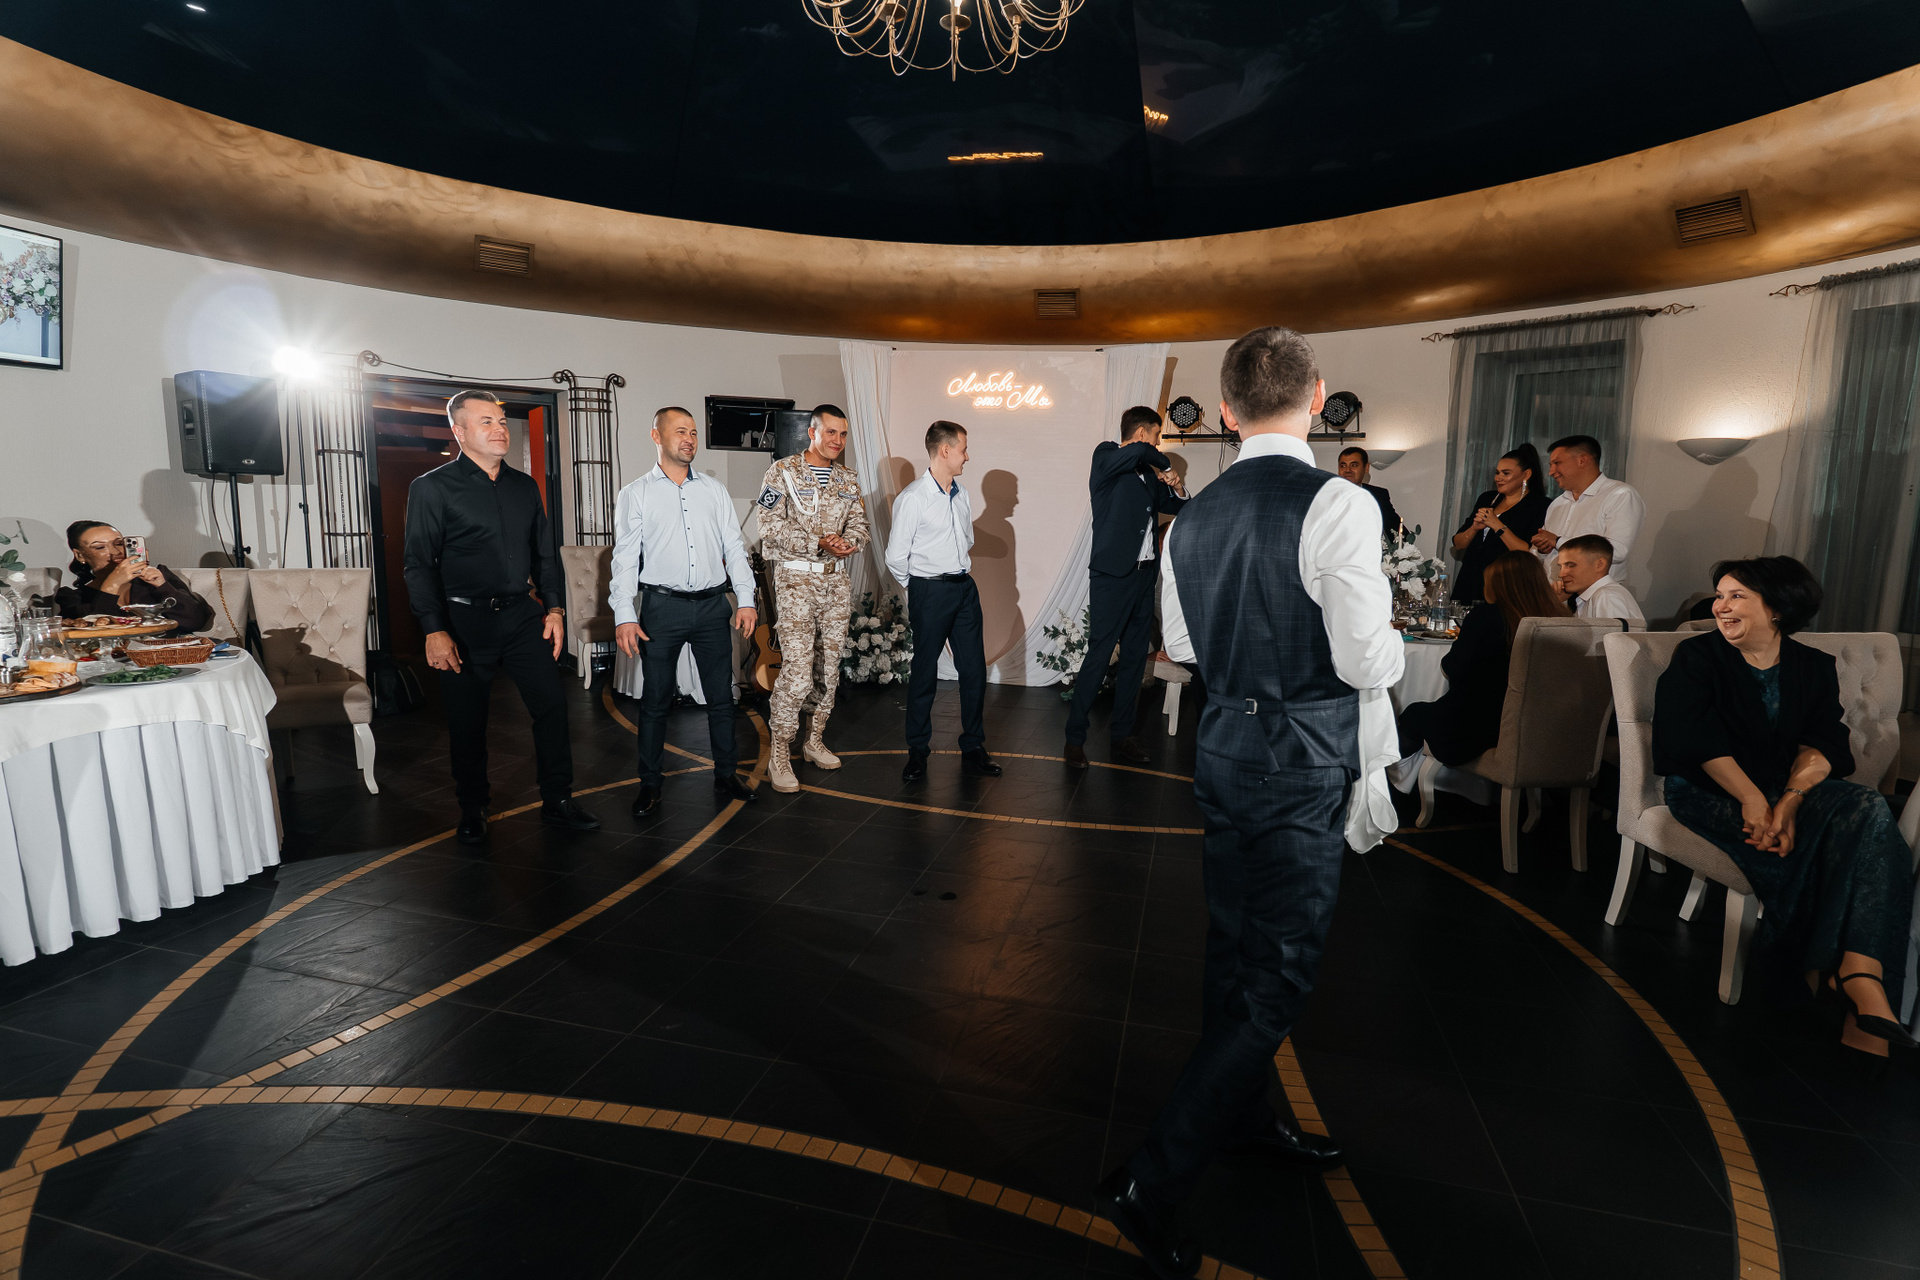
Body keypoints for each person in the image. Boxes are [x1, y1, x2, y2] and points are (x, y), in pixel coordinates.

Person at [1101, 328, 1403, 1276]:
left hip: (1225, 748)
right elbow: (1366, 659)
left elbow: (1185, 648)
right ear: (1317, 397)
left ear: (1226, 412)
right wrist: (1394, 644)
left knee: (1233, 952)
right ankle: (1152, 1181)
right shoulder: (1340, 501)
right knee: (1278, 977)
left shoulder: (1191, 515)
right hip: (1301, 757)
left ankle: (1245, 1116)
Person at [1655, 557, 1916, 1059]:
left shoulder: (1811, 665)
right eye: (1720, 595)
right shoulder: (1697, 656)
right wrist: (1754, 801)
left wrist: (1790, 804)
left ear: (1777, 608)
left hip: (1785, 789)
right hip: (1709, 791)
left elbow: (1823, 743)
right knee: (1852, 849)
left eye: (1736, 596)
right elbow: (1694, 739)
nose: (1720, 606)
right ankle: (1858, 983)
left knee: (1867, 808)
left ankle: (1857, 972)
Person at [403, 390, 599, 844]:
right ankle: (473, 808)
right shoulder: (431, 488)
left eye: (502, 421)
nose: (499, 429)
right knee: (468, 721)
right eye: (486, 422)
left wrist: (554, 608)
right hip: (462, 622)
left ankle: (558, 799)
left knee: (552, 707)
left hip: (521, 616)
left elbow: (543, 555)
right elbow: (418, 565)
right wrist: (434, 629)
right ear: (459, 432)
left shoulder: (524, 487)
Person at [611, 407, 762, 816]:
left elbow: (734, 547)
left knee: (721, 699)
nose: (689, 439)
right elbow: (624, 560)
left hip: (713, 607)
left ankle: (726, 774)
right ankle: (650, 784)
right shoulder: (636, 493)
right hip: (662, 608)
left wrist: (746, 599)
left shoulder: (714, 490)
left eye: (693, 432)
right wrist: (624, 614)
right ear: (656, 436)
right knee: (655, 701)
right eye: (680, 431)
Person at [1063, 405, 1189, 768]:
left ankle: (1122, 735)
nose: (1158, 442)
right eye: (1157, 434)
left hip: (1144, 576)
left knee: (1134, 661)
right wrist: (1164, 463)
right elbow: (1141, 452)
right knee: (1099, 656)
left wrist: (1177, 486)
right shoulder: (1105, 457)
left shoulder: (1147, 475)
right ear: (1143, 432)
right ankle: (1074, 739)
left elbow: (1181, 506)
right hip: (1112, 578)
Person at [757, 404, 870, 793]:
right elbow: (769, 527)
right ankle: (780, 752)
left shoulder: (847, 478)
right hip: (796, 583)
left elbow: (859, 523)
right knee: (798, 672)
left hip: (836, 582)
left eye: (843, 434)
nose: (838, 440)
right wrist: (818, 542)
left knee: (828, 669)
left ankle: (814, 740)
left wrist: (848, 542)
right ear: (812, 432)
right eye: (831, 432)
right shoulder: (783, 472)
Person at [887, 421, 1002, 784]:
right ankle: (917, 751)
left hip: (964, 588)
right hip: (930, 591)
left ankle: (973, 746)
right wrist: (919, 588)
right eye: (963, 449)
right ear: (945, 450)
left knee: (974, 670)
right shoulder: (913, 498)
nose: (967, 456)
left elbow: (966, 540)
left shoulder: (962, 493)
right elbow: (895, 557)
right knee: (925, 672)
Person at [1396, 551, 1567, 764]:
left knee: (1413, 714)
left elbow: (1453, 667)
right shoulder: (1559, 618)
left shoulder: (1489, 616)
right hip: (1539, 727)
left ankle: (1382, 775)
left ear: (1499, 585)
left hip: (1480, 726)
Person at [57, 522, 213, 632]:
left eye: (119, 543)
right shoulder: (72, 597)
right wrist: (112, 585)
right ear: (80, 555)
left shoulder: (157, 577)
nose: (116, 552)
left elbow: (196, 622)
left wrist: (162, 587)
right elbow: (97, 635)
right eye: (100, 547)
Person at [1530, 434, 1645, 576]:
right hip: (1552, 587)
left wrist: (1558, 541)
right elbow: (1539, 553)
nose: (1551, 472)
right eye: (1550, 465)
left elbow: (1617, 551)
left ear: (1582, 460)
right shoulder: (1557, 504)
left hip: (1593, 590)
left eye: (1557, 463)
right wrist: (1541, 550)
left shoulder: (1620, 495)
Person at [1450, 443, 1548, 603]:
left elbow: (1529, 553)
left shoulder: (1540, 505)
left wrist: (1497, 525)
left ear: (1526, 474)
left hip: (1506, 585)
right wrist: (1474, 528)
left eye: (1505, 473)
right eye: (1497, 473)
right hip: (1469, 580)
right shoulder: (1487, 498)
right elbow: (1458, 544)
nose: (1498, 478)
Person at [1555, 534, 1643, 625]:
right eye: (1561, 567)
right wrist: (1556, 601)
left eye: (1570, 566)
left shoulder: (1606, 597)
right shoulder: (1598, 596)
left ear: (1599, 565)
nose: (1561, 574)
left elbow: (1612, 635)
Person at [1336, 446, 1401, 539]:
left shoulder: (1379, 495)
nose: (1347, 470)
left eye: (1354, 465)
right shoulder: (1326, 495)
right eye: (1343, 466)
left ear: (1366, 467)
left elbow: (1396, 529)